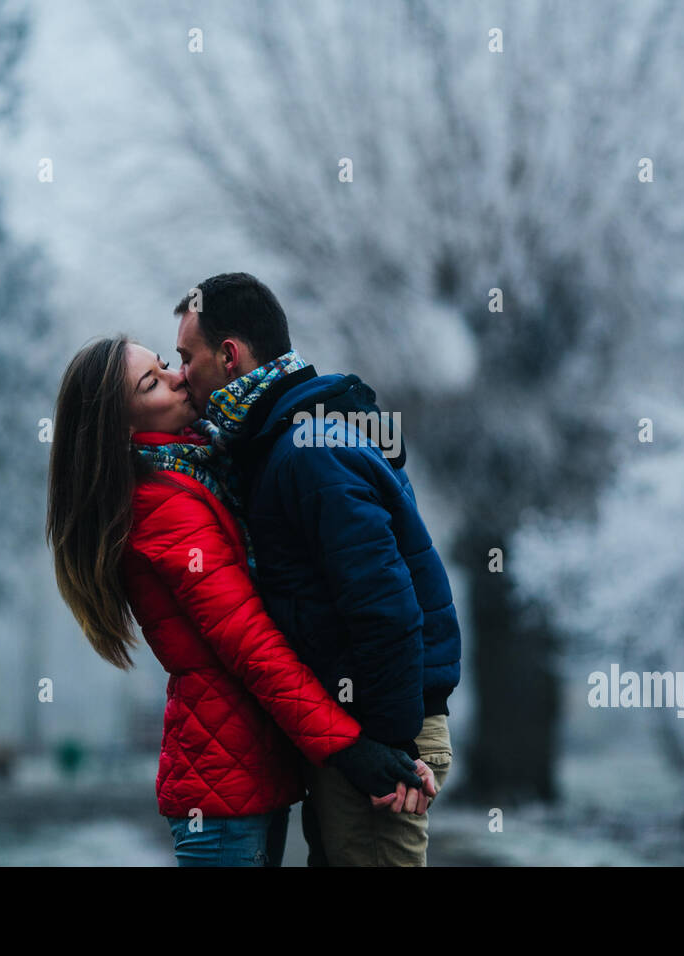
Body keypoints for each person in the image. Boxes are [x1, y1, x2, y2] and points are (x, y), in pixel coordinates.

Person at [45, 335, 434, 867]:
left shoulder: (196, 472)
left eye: (165, 364)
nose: (179, 377)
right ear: (121, 428)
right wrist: (348, 747)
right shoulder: (163, 506)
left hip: (245, 774)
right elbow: (251, 642)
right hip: (223, 791)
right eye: (153, 383)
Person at [173, 273, 462, 867]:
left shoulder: (308, 450)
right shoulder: (283, 439)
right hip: (364, 730)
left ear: (229, 356)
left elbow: (383, 604)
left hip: (384, 735)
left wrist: (383, 749)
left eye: (185, 357)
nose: (181, 376)